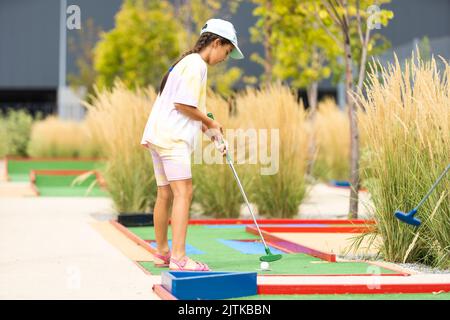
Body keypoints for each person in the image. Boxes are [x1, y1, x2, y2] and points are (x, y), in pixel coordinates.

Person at [140, 18, 244, 271]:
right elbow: (183, 105)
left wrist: (214, 133)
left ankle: (163, 252)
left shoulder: (187, 64)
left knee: (165, 193)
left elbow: (192, 111)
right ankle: (179, 258)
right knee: (184, 193)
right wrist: (213, 123)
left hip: (159, 136)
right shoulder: (196, 65)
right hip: (172, 139)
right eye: (227, 52)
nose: (224, 58)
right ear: (216, 43)